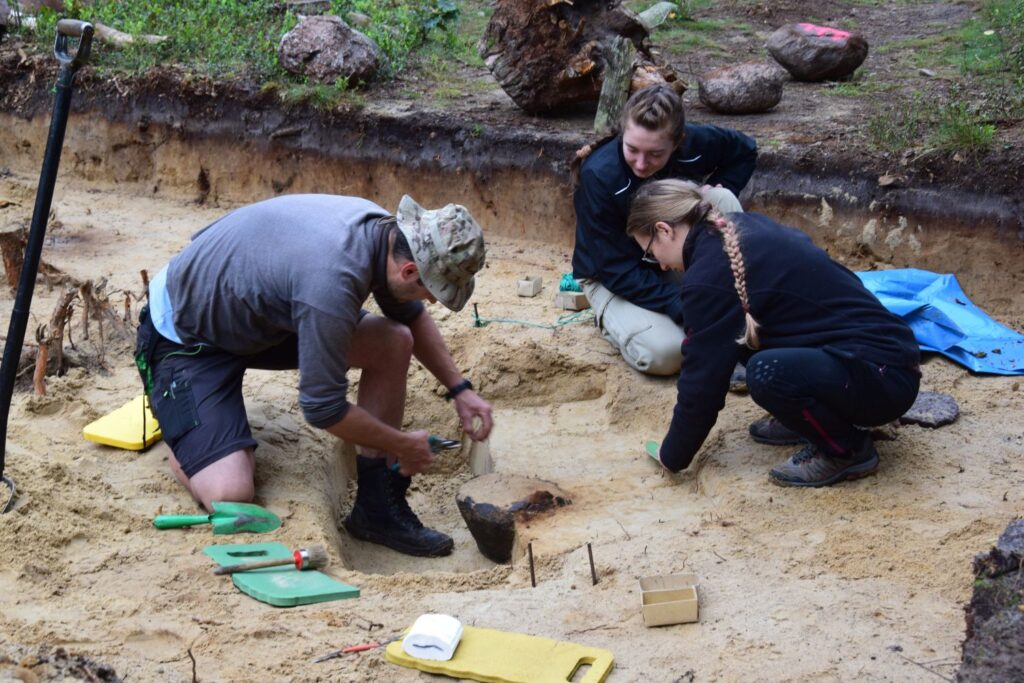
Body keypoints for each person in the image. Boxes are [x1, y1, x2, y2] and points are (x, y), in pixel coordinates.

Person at [134, 193, 494, 556]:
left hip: (256, 313)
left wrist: (460, 389)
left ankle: (376, 510)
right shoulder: (332, 280)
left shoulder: (388, 236)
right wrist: (400, 444)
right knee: (230, 493)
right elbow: (322, 408)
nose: (431, 302)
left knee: (394, 341)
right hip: (185, 335)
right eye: (433, 292)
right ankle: (186, 438)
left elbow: (410, 316)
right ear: (409, 271)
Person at [627, 179, 921, 487]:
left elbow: (702, 382)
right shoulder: (739, 227)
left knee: (766, 372)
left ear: (664, 230)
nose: (659, 265)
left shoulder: (708, 277)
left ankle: (845, 450)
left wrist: (673, 455)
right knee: (741, 338)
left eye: (650, 252)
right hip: (886, 356)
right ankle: (810, 417)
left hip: (882, 378)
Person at [571, 84, 758, 375]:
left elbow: (745, 149)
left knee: (721, 199)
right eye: (632, 149)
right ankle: (613, 321)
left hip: (672, 253)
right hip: (615, 276)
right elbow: (613, 268)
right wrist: (682, 308)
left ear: (678, 141)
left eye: (656, 154)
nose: (642, 164)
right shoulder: (599, 175)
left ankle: (733, 300)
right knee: (667, 355)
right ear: (623, 132)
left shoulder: (694, 143)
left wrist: (722, 184)